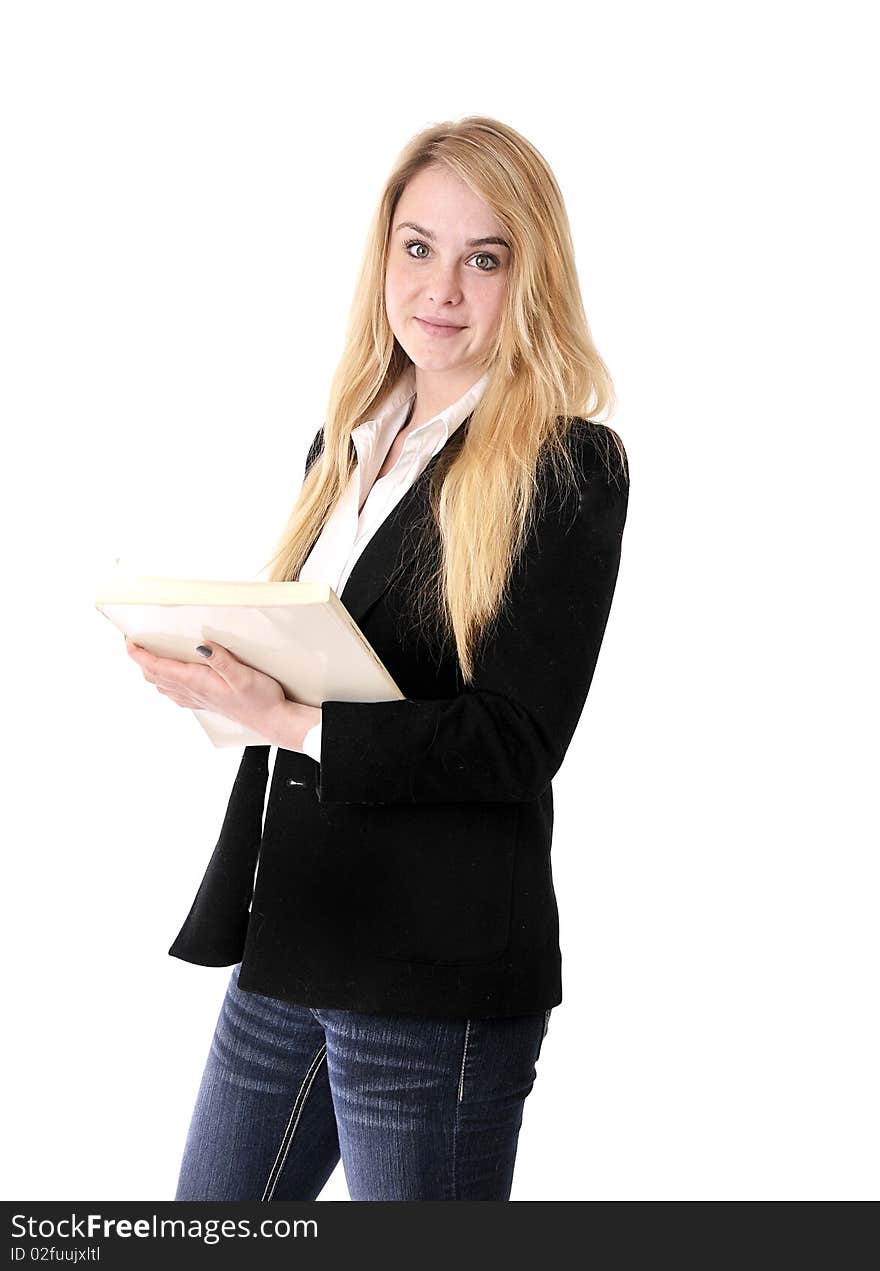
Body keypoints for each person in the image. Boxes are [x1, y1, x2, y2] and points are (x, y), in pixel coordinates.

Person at [125, 115, 629, 1201]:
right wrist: (228, 673)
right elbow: (339, 657)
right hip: (297, 934)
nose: (440, 287)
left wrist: (289, 716)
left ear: (527, 275)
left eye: (482, 258)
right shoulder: (345, 439)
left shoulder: (565, 464)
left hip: (431, 975)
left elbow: (513, 741)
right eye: (417, 246)